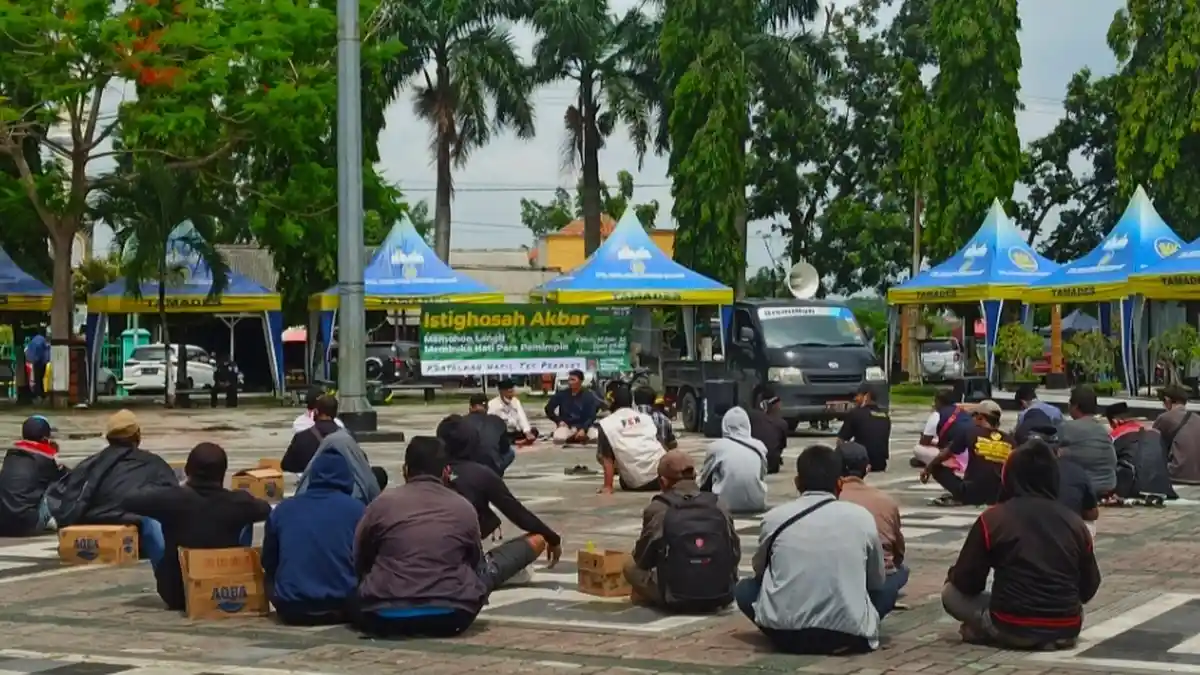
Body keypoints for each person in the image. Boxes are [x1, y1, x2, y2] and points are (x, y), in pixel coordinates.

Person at [353, 437, 547, 637]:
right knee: (489, 568)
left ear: (405, 470)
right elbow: (475, 563)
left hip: (384, 615)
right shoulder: (462, 507)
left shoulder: (380, 505)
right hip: (452, 614)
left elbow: (359, 557)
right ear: (446, 472)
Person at [942, 439, 1101, 650]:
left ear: (1010, 477)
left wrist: (952, 574)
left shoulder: (994, 518)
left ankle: (988, 630)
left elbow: (967, 582)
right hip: (1066, 625)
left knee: (950, 594)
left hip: (1010, 622)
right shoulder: (1075, 523)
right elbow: (1089, 587)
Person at [735, 445, 890, 655]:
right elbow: (877, 581)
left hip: (785, 633)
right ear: (840, 484)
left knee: (744, 589)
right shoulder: (861, 517)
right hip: (847, 633)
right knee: (895, 580)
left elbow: (759, 570)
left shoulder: (775, 517)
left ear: (797, 482)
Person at [123, 442, 271, 611]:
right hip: (222, 590)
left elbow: (129, 500)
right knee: (246, 519)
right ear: (222, 474)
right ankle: (236, 570)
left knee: (151, 520)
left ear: (187, 470)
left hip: (177, 592)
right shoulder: (239, 501)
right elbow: (265, 509)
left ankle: (169, 570)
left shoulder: (171, 498)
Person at [44, 410, 178, 565]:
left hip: (93, 518)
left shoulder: (91, 464)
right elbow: (172, 498)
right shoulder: (153, 463)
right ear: (137, 436)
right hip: (135, 524)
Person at [437, 415, 562, 571]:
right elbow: (518, 514)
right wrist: (553, 538)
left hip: (423, 565)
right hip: (464, 574)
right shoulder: (482, 475)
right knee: (538, 540)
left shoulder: (427, 472)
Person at [624, 451, 740, 612]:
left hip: (674, 595)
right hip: (720, 592)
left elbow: (643, 559)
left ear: (663, 481)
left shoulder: (659, 508)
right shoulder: (718, 504)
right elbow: (735, 551)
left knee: (629, 565)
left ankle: (651, 597)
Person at [263, 452, 366, 625]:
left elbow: (268, 561)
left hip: (292, 608)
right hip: (343, 606)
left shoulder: (283, 510)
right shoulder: (358, 510)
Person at [837, 442, 908, 605]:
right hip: (875, 586)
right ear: (867, 469)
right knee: (901, 571)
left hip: (834, 583)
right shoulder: (886, 501)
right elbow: (898, 551)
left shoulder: (829, 500)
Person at [919, 400, 1014, 507]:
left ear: (980, 418)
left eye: (973, 416)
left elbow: (944, 455)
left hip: (971, 493)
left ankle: (961, 497)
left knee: (936, 467)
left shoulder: (969, 432)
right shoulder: (1010, 440)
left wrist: (928, 469)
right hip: (999, 495)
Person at [1016, 411, 1099, 524]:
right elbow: (1092, 514)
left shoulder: (1015, 470)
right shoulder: (1075, 471)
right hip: (1066, 533)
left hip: (1026, 531)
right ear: (1059, 451)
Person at [0, 416, 67, 536]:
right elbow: (67, 479)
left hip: (3, 524)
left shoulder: (11, 456)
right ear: (45, 437)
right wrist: (56, 458)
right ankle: (54, 520)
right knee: (58, 487)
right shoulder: (46, 458)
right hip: (27, 525)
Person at [596, 386, 666, 494]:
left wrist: (608, 486)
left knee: (603, 453)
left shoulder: (606, 424)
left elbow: (607, 459)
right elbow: (660, 444)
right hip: (664, 477)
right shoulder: (645, 418)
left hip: (638, 483)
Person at [699, 407, 768, 514]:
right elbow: (762, 474)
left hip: (723, 505)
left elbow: (704, 479)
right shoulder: (760, 446)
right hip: (757, 503)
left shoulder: (715, 447)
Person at [1108, 402, 1177, 501]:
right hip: (1163, 486)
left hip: (1135, 487)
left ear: (1114, 421)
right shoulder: (1153, 432)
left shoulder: (1116, 435)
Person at [1057, 385, 1118, 497]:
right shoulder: (1103, 430)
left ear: (1075, 406)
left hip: (1085, 487)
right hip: (1109, 485)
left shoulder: (1068, 428)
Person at [911, 388, 973, 471]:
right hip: (972, 454)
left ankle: (946, 464)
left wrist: (926, 439)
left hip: (956, 455)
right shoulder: (962, 412)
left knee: (918, 449)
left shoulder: (937, 415)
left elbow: (924, 442)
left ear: (938, 401)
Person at [283, 394, 345, 473]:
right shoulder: (347, 437)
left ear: (316, 411)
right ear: (336, 413)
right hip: (341, 483)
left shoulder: (301, 437)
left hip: (312, 483)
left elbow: (286, 465)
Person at [837, 383, 891, 472]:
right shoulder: (885, 416)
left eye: (858, 396)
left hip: (861, 463)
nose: (855, 399)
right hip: (880, 464)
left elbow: (840, 440)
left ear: (867, 396)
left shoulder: (855, 413)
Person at [1155, 384, 1200, 484]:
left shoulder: (1165, 418)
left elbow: (1150, 447)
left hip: (1177, 478)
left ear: (1167, 400)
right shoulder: (1198, 419)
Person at [465, 393, 515, 476]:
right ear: (487, 407)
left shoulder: (461, 421)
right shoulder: (497, 421)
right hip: (492, 465)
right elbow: (505, 448)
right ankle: (496, 475)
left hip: (468, 465)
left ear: (470, 407)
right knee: (510, 453)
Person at [545, 369, 599, 444]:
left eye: (573, 380)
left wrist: (584, 429)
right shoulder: (562, 394)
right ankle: (574, 438)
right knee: (558, 438)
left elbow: (592, 416)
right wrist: (558, 421)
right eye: (569, 380)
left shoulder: (588, 396)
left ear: (580, 381)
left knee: (595, 437)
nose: (570, 382)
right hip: (567, 426)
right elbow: (548, 409)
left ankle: (577, 437)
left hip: (584, 427)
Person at [748, 387, 789, 474]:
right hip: (771, 465)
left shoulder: (749, 417)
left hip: (752, 464)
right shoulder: (781, 423)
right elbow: (782, 446)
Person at [488, 379, 538, 445]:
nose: (511, 395)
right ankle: (515, 442)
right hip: (502, 433)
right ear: (501, 392)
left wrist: (527, 432)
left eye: (512, 392)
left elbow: (522, 417)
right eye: (509, 392)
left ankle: (520, 440)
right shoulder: (492, 404)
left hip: (514, 431)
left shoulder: (515, 401)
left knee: (534, 431)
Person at [634, 386, 678, 450]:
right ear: (654, 400)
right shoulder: (665, 419)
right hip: (659, 457)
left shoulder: (627, 418)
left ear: (635, 401)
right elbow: (672, 444)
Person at [25, 327, 49, 401]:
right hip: (43, 361)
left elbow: (32, 352)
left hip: (37, 362)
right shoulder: (42, 339)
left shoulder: (34, 341)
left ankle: (38, 394)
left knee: (37, 378)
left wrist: (33, 359)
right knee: (40, 378)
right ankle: (41, 394)